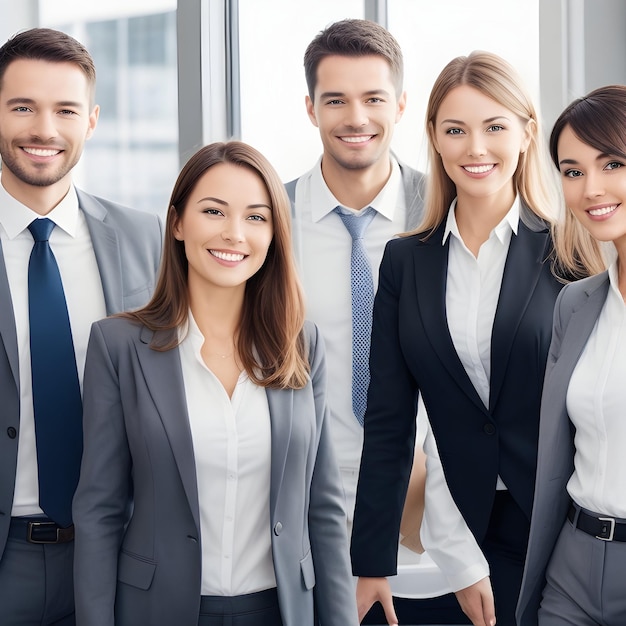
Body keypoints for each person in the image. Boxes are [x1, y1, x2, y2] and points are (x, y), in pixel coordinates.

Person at [72, 141, 358, 626]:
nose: (234, 233)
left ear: (273, 235)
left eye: (255, 217)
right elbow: (99, 513)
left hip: (281, 610)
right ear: (178, 223)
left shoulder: (301, 344)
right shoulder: (118, 345)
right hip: (158, 612)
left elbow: (323, 509)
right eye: (213, 211)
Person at [351, 51, 590, 626]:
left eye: (494, 127)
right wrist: (371, 561)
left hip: (558, 527)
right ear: (433, 137)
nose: (475, 149)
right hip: (451, 528)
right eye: (455, 130)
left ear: (528, 132)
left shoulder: (572, 252)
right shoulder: (405, 262)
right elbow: (388, 419)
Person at [286, 20, 457, 624]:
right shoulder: (265, 224)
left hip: (437, 518)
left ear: (402, 105)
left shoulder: (447, 217)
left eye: (374, 98)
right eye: (335, 99)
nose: (355, 116)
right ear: (310, 108)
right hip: (301, 519)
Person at [0, 28, 162, 625]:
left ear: (90, 120)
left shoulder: (146, 241)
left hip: (120, 552)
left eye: (65, 109)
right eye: (22, 106)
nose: (44, 129)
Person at [517, 85, 625, 626]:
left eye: (612, 163)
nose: (591, 188)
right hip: (573, 567)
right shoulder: (575, 304)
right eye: (572, 169)